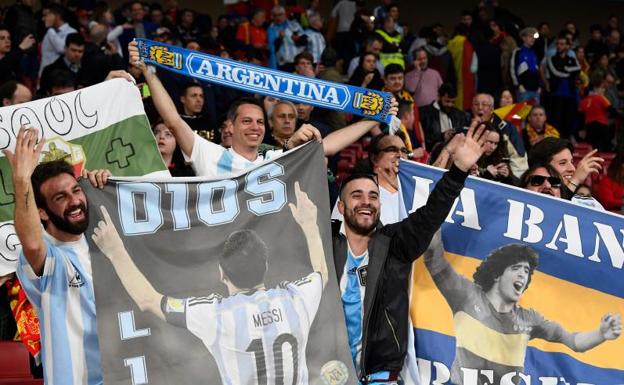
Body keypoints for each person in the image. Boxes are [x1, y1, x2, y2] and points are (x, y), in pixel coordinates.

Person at [92, 182, 327, 385]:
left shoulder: (216, 314)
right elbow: (321, 273)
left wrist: (115, 251)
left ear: (221, 273)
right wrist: (309, 224)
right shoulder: (296, 298)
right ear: (265, 266)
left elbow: (147, 300)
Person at [333, 119, 487, 383]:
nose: (366, 202)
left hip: (380, 374)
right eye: (356, 195)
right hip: (328, 371)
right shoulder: (324, 245)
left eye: (373, 196)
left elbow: (431, 214)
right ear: (341, 206)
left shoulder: (394, 244)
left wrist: (458, 170)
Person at [128, 41, 394, 178]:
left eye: (259, 122)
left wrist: (373, 119)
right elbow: (173, 121)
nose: (255, 127)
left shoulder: (273, 159)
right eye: (246, 121)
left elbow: (328, 146)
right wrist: (148, 72)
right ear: (229, 126)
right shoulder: (210, 155)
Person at [424, 237, 621, 385]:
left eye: (526, 271)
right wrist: (436, 205)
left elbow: (575, 342)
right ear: (497, 275)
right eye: (516, 268)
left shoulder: (530, 319)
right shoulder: (466, 295)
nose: (522, 274)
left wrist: (601, 334)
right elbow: (434, 257)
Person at [4, 127, 111, 385]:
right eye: (60, 197)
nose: (74, 201)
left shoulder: (106, 242)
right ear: (42, 212)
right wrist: (21, 180)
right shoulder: (47, 257)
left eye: (76, 191)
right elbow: (31, 241)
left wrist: (107, 186)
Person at [528, 137, 603, 198]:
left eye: (572, 162)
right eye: (562, 163)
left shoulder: (583, 200)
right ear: (540, 169)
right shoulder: (522, 196)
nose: (572, 169)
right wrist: (575, 181)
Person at [419, 83, 469, 151]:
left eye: (453, 102)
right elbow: (424, 139)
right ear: (439, 97)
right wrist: (443, 136)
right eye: (447, 101)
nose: (450, 105)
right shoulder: (424, 113)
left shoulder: (459, 115)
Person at [39, 3, 77, 77]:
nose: (43, 19)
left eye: (46, 15)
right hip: (45, 75)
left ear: (56, 16)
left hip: (60, 77)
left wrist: (50, 29)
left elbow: (61, 49)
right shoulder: (50, 32)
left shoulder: (71, 32)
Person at [511, 27, 541, 104]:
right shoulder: (518, 51)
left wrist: (539, 86)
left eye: (533, 37)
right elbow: (512, 69)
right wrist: (518, 85)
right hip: (524, 89)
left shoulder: (534, 52)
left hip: (535, 90)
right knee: (522, 114)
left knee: (535, 114)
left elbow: (537, 70)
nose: (533, 39)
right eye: (530, 36)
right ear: (524, 38)